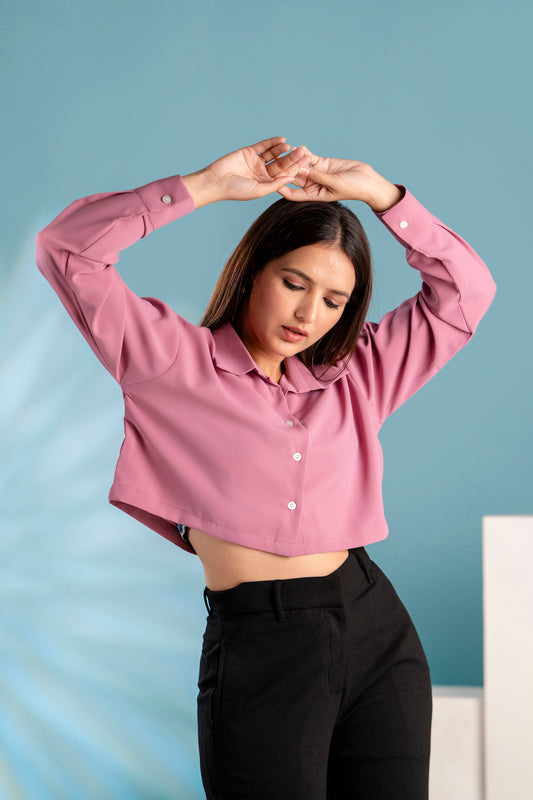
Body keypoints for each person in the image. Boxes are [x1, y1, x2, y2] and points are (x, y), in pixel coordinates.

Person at [35, 137, 496, 800]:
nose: (309, 315)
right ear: (255, 271)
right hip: (261, 644)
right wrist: (209, 185)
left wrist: (380, 195)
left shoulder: (358, 376)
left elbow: (466, 293)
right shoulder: (169, 361)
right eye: (294, 283)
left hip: (374, 626)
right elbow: (67, 249)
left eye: (334, 301)